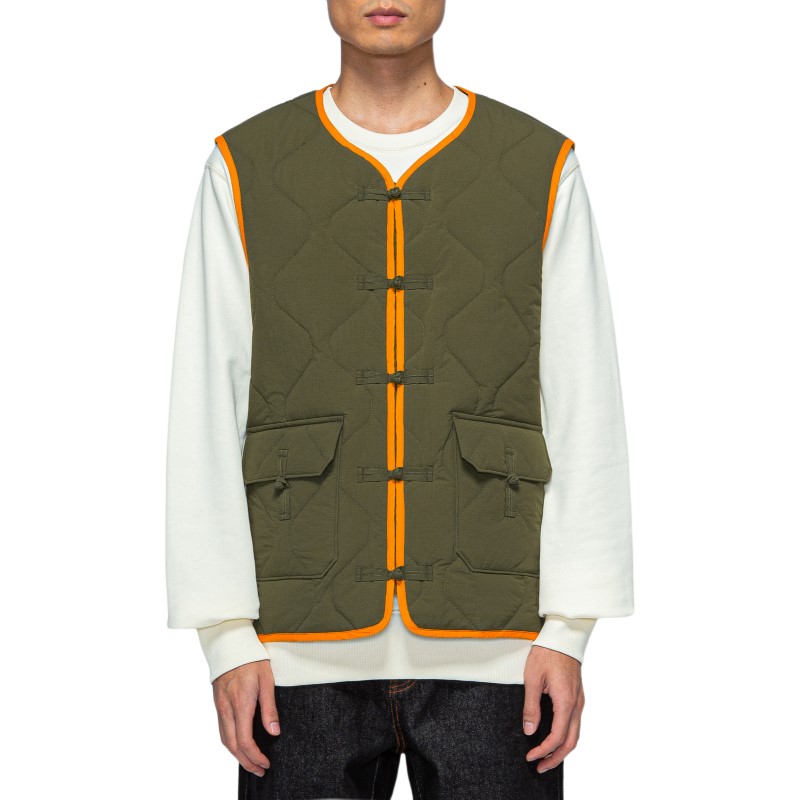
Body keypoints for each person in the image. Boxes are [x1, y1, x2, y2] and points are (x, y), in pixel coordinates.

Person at [165, 1, 634, 797]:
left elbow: (584, 394)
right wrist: (227, 636)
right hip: (290, 651)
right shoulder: (244, 164)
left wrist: (567, 631)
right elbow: (205, 398)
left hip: (502, 649)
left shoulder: (538, 162)